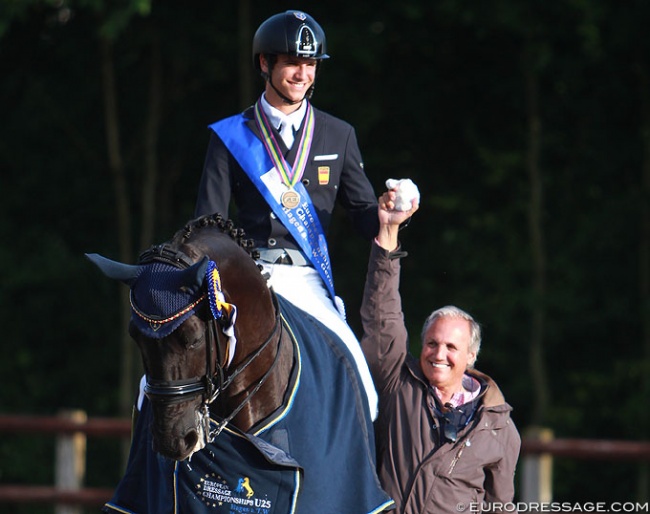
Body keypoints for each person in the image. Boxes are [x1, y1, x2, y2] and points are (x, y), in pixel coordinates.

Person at [194, 10, 379, 418]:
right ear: (265, 64)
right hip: (248, 274)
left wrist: (391, 214)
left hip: (309, 279)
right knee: (168, 376)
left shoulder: (338, 134)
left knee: (365, 386)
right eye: (292, 63)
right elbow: (208, 222)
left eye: (310, 64)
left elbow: (365, 217)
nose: (302, 74)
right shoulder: (230, 135)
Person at [360, 188, 521, 513]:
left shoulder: (499, 426)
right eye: (432, 343)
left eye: (451, 347)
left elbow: (499, 505)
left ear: (470, 356)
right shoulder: (398, 384)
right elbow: (383, 317)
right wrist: (389, 231)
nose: (438, 354)